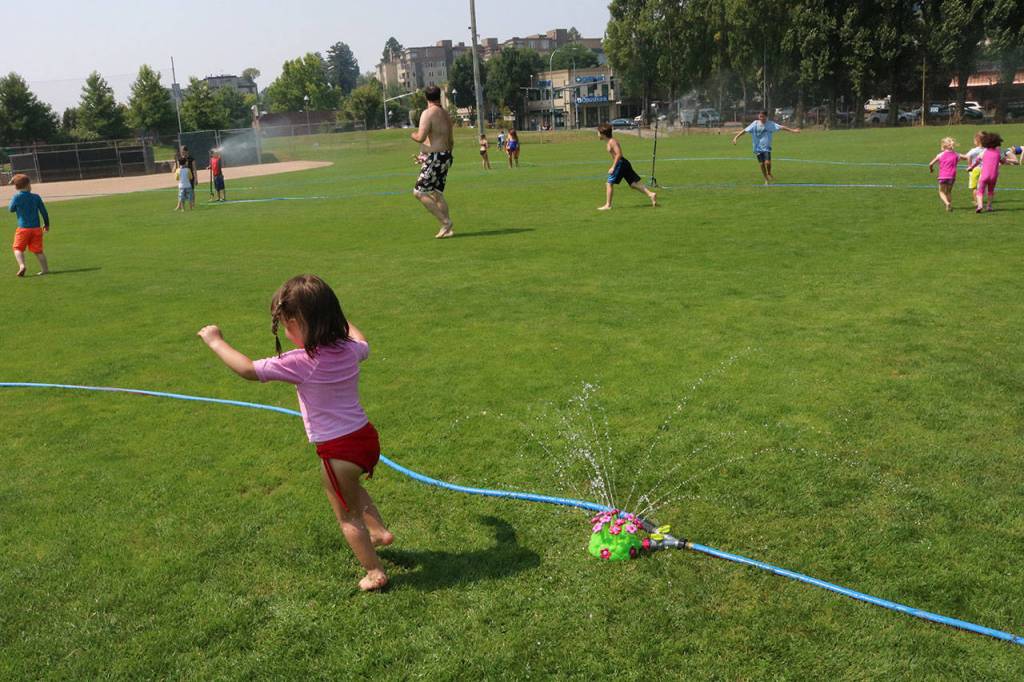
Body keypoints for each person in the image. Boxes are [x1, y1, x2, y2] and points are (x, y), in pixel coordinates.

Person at [197, 274, 393, 592]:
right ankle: (379, 532)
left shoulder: (302, 361)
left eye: (287, 325)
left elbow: (247, 369)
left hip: (338, 450)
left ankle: (374, 572)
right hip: (365, 439)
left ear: (299, 324)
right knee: (352, 488)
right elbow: (362, 340)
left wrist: (215, 341)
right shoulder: (350, 349)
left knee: (347, 516)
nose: (286, 332)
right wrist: (337, 317)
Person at [410, 84, 455, 239]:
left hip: (436, 157)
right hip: (446, 156)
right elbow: (449, 140)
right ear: (439, 96)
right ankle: (448, 230)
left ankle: (445, 222)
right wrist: (426, 156)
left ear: (426, 97)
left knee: (418, 192)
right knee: (437, 193)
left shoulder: (427, 113)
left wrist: (412, 135)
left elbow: (420, 137)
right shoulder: (446, 114)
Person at [597, 123, 657, 210]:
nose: (597, 134)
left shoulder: (612, 142)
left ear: (603, 134)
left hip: (620, 163)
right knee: (633, 184)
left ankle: (608, 205)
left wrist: (613, 167)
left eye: (598, 133)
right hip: (623, 163)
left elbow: (619, 154)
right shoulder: (609, 142)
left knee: (609, 183)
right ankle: (651, 194)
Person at [731, 110, 800, 184]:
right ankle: (766, 178)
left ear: (766, 117)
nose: (761, 118)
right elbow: (745, 130)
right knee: (761, 164)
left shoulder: (770, 124)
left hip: (766, 147)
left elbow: (782, 127)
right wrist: (736, 137)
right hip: (757, 148)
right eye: (760, 116)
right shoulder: (755, 123)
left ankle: (769, 173)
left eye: (763, 116)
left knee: (767, 163)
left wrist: (793, 130)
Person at [8, 174, 50, 277]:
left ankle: (22, 266)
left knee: (18, 248)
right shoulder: (36, 197)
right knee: (38, 251)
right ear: (28, 184)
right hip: (36, 229)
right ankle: (45, 270)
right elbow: (44, 212)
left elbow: (11, 209)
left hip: (23, 229)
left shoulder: (17, 197)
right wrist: (46, 224)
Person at [967, 131, 1006, 213]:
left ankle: (980, 205)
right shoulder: (998, 152)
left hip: (984, 175)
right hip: (994, 176)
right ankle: (989, 206)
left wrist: (971, 167)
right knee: (990, 191)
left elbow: (977, 161)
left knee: (980, 191)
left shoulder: (984, 152)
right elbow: (1003, 161)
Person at [928, 137, 960, 212]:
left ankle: (947, 203)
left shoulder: (940, 155)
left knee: (941, 192)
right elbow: (964, 157)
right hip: (952, 176)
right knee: (948, 192)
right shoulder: (956, 154)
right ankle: (949, 205)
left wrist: (931, 169)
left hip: (942, 176)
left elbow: (930, 164)